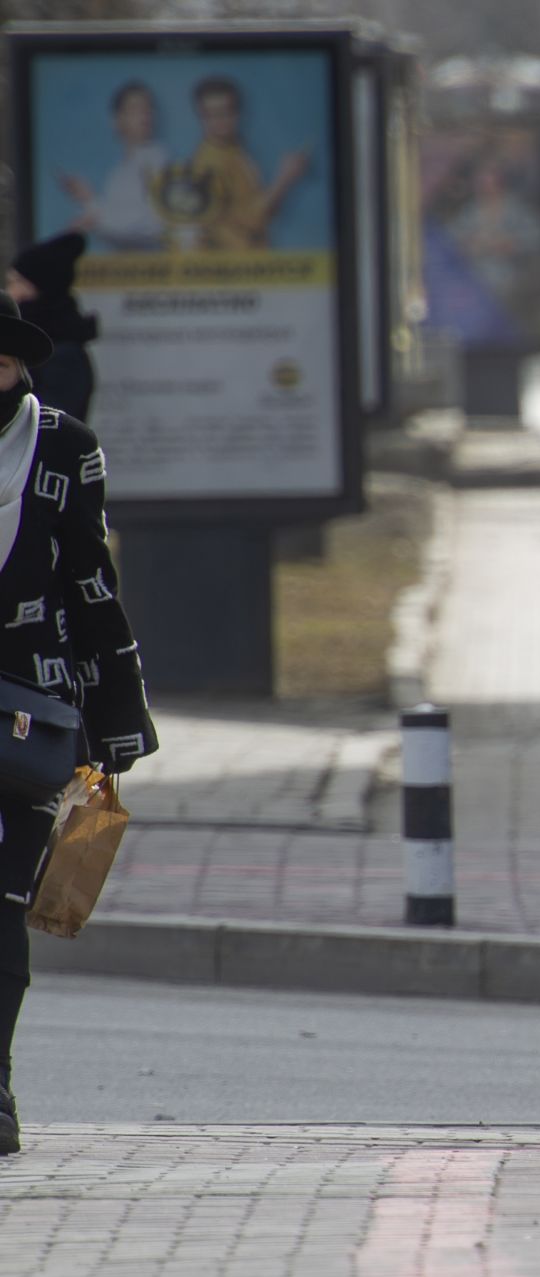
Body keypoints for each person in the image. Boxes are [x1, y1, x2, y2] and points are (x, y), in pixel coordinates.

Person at [0, 294, 158, 1157]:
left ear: (22, 368)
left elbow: (92, 583)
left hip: (33, 710)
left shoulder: (64, 445)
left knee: (6, 906)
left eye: (0, 365)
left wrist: (114, 730)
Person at [184, 76, 310, 251]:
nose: (220, 120)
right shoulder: (208, 164)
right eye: (211, 114)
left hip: (251, 258)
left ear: (238, 113)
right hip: (234, 264)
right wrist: (285, 178)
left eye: (226, 111)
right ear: (200, 116)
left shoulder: (235, 149)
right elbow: (253, 220)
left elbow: (263, 208)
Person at [59, 81, 169, 252]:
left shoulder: (158, 160)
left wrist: (90, 204)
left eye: (148, 109)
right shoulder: (118, 172)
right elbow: (116, 230)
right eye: (135, 110)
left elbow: (151, 224)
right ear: (117, 120)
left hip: (154, 269)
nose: (145, 116)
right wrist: (87, 211)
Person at [7, 234, 98, 422]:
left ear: (37, 288)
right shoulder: (24, 341)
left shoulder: (63, 353)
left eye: (15, 282)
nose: (9, 291)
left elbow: (51, 422)